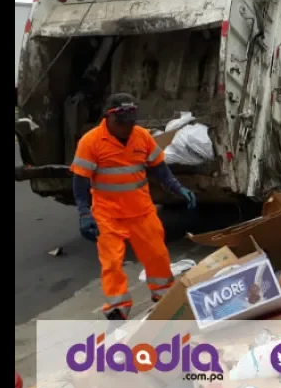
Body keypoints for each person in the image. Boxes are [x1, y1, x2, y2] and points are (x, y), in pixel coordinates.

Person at [70, 93, 197, 320]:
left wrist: (179, 189)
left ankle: (163, 295)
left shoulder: (142, 137)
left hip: (142, 212)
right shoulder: (90, 142)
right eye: (122, 123)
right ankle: (118, 308)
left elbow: (160, 169)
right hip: (108, 215)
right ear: (108, 118)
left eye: (131, 122)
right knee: (112, 264)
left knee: (157, 256)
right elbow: (80, 181)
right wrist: (83, 213)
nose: (126, 128)